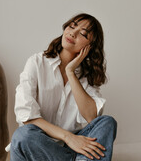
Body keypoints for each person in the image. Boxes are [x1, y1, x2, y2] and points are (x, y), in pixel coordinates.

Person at [10, 13, 117, 161]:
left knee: (107, 122)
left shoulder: (86, 77)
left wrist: (70, 72)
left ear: (90, 47)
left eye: (83, 34)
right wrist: (69, 138)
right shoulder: (36, 63)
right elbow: (27, 117)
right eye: (72, 26)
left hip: (76, 148)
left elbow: (91, 116)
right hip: (40, 147)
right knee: (23, 136)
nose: (72, 33)